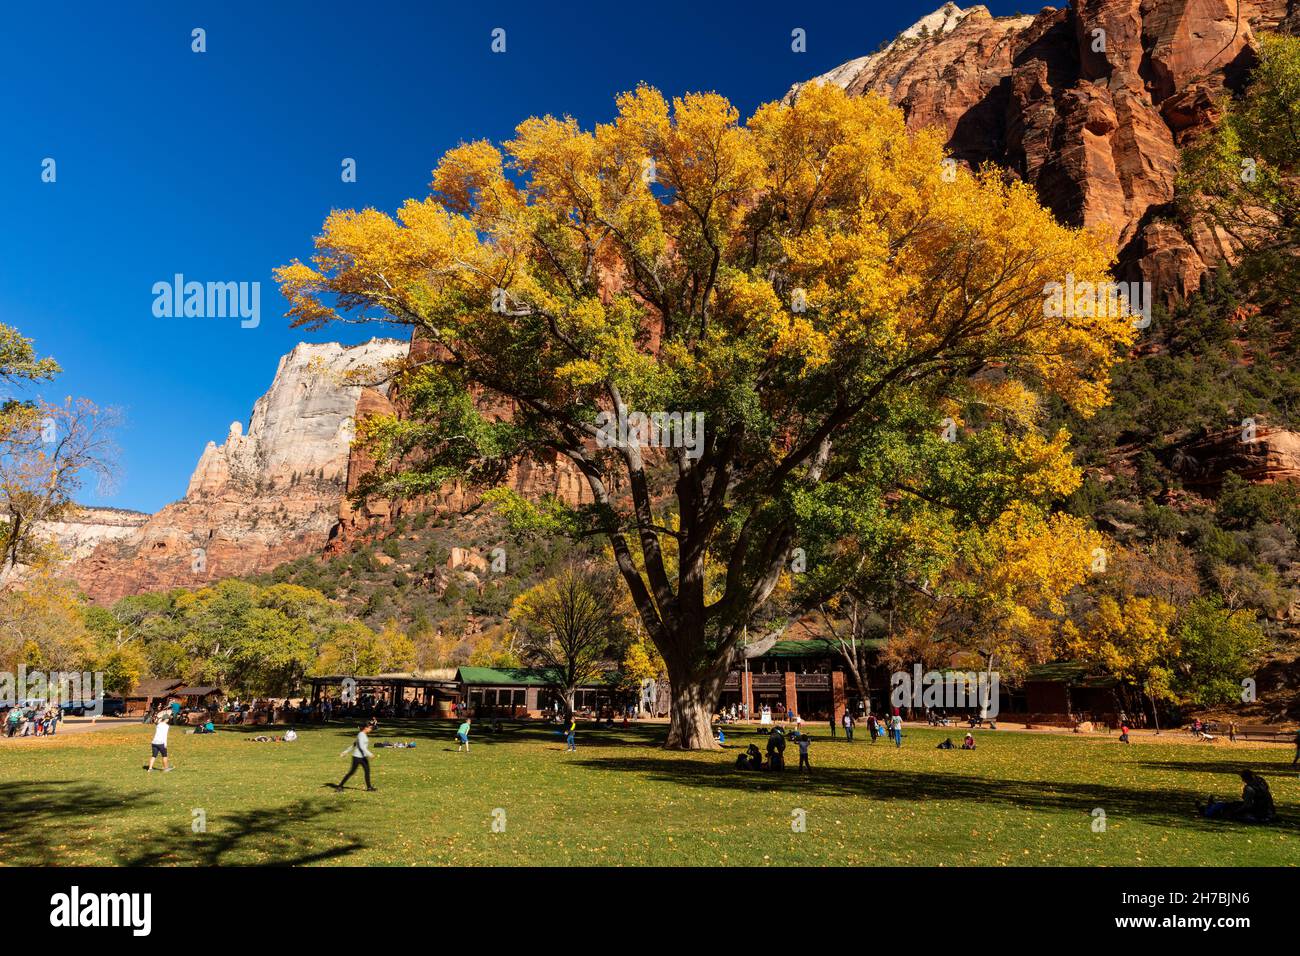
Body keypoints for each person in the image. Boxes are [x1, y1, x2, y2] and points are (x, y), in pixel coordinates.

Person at [1201, 770, 1277, 823]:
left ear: (1244, 779)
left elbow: (1247, 805)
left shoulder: (1249, 789)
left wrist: (1236, 811)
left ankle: (1207, 812)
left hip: (1259, 815)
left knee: (1228, 807)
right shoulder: (1261, 783)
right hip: (1269, 812)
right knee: (1233, 804)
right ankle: (1211, 807)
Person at [335, 721, 377, 791]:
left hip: (363, 757)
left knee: (367, 771)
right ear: (365, 728)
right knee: (351, 772)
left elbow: (354, 744)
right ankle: (339, 786)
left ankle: (369, 788)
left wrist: (345, 752)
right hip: (357, 757)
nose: (371, 729)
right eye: (370, 728)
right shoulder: (361, 735)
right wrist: (369, 754)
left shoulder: (363, 734)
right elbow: (361, 746)